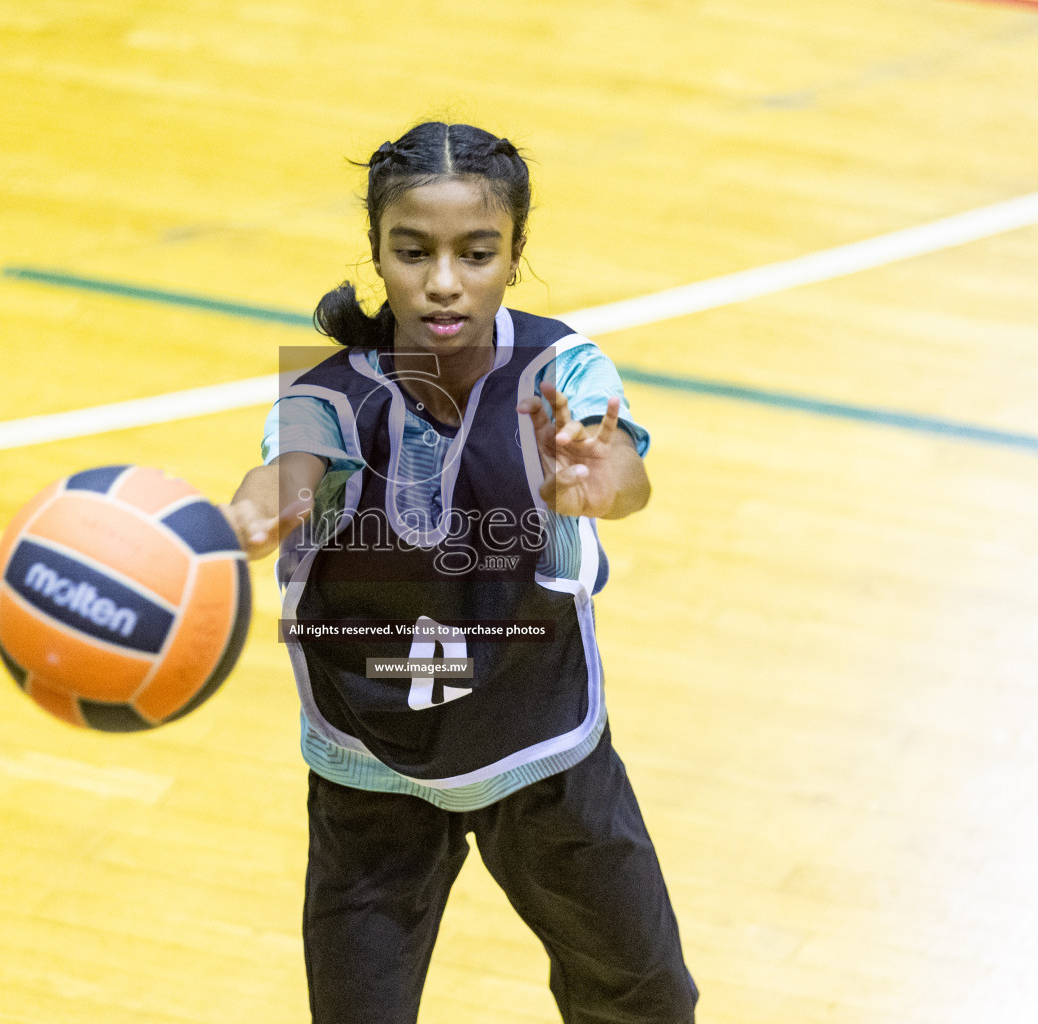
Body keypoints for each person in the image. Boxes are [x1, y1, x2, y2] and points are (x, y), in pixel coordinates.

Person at [221, 122, 699, 1024]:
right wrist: (255, 510)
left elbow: (623, 471)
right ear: (377, 253)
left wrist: (601, 480)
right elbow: (290, 466)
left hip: (540, 748)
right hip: (372, 766)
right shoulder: (326, 394)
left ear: (514, 256)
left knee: (644, 995)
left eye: (476, 252)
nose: (443, 280)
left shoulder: (560, 370)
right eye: (414, 252)